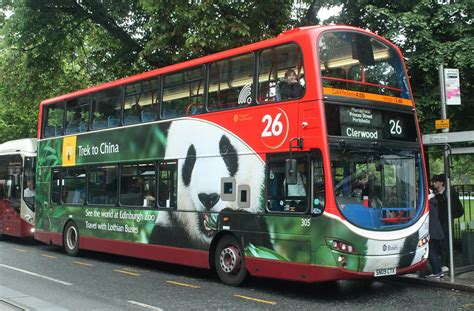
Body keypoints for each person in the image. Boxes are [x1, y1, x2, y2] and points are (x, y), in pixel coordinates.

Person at [431, 174, 464, 272]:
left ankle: (448, 264)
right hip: (441, 221)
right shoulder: (439, 194)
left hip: (446, 221)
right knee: (442, 242)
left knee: (446, 242)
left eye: (435, 182)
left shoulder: (448, 194)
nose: (433, 184)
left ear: (441, 183)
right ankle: (445, 261)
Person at [426, 189, 445, 278]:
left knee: (431, 253)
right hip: (438, 232)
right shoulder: (434, 203)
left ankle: (437, 272)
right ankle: (439, 271)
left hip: (432, 232)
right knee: (434, 253)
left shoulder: (428, 205)